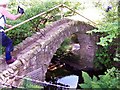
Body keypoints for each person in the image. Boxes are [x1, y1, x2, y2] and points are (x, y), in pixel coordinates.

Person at [0, 0, 24, 64]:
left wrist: (7, 25)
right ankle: (9, 59)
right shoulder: (1, 9)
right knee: (9, 43)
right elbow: (13, 17)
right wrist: (20, 13)